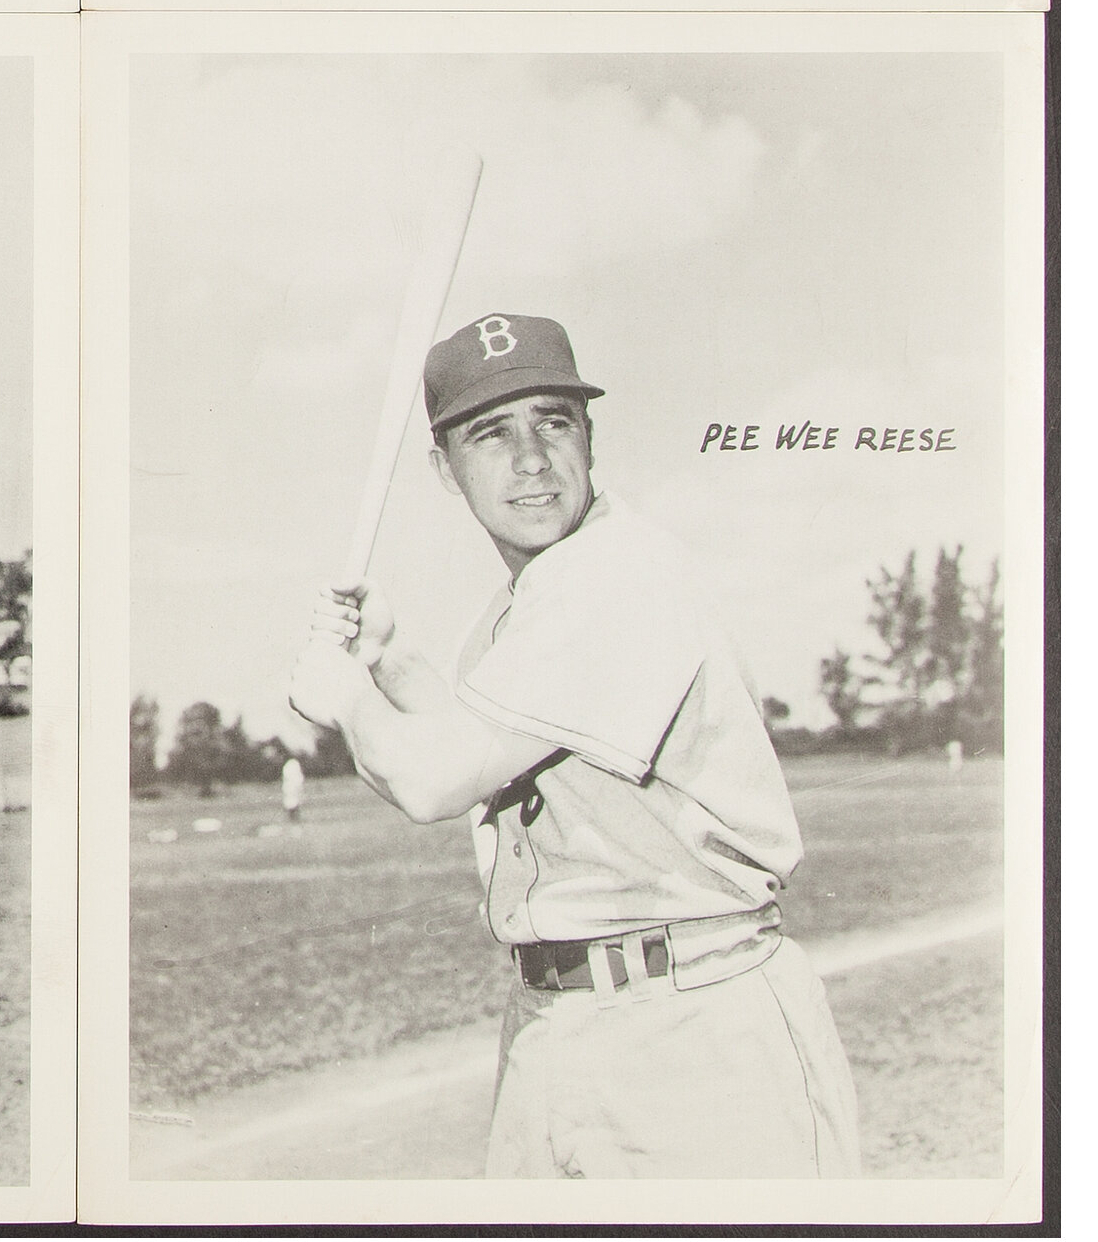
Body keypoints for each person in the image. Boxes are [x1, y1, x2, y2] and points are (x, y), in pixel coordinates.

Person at [284, 312, 860, 1178]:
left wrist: (344, 700)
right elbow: (488, 752)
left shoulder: (620, 576)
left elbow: (433, 780)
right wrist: (390, 661)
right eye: (492, 433)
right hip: (556, 1022)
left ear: (590, 438)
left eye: (554, 421)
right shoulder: (536, 600)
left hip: (695, 1030)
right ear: (445, 469)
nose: (531, 459)